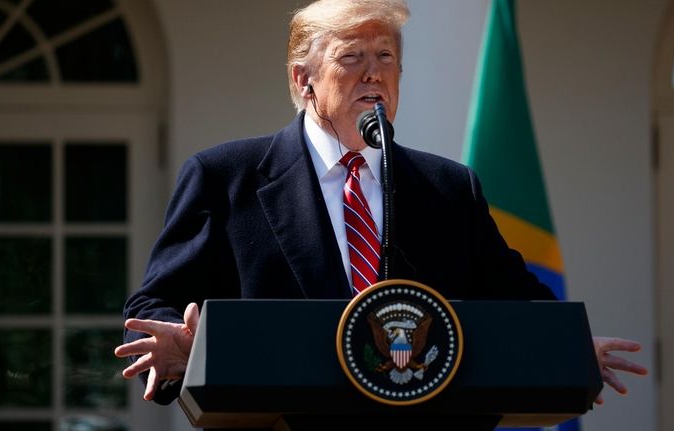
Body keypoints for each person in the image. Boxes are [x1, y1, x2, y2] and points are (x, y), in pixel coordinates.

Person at [115, 0, 646, 408]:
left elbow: (515, 300)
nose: (375, 73)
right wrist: (182, 348)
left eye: (386, 56)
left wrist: (563, 347)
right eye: (353, 57)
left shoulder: (447, 187)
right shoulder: (223, 178)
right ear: (304, 81)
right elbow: (155, 307)